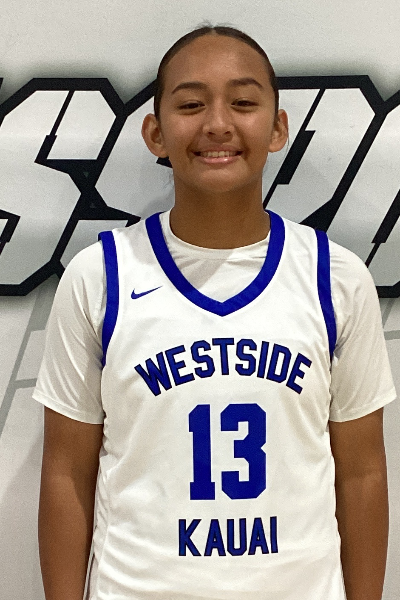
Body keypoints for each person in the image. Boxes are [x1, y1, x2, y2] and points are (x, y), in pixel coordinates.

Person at [34, 25, 396, 600]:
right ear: (155, 132)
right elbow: (65, 474)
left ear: (278, 128)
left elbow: (363, 473)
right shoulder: (99, 276)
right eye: (190, 104)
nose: (218, 124)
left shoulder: (337, 278)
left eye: (244, 103)